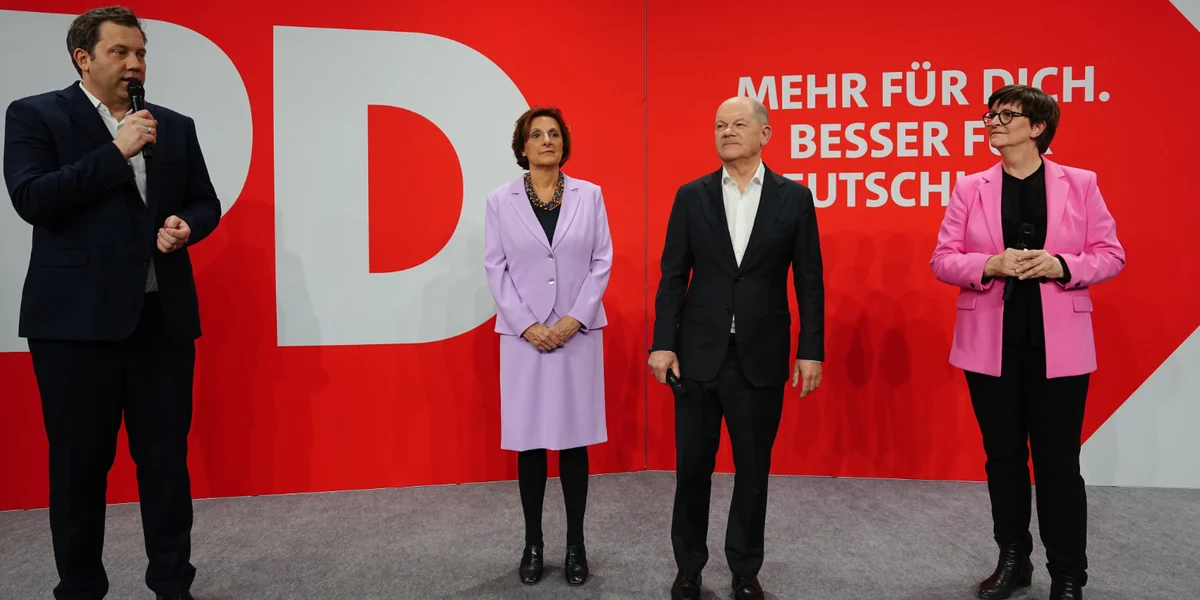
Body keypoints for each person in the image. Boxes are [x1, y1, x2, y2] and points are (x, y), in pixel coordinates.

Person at [3, 6, 221, 600]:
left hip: (161, 321)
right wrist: (115, 151)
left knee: (165, 465)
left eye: (141, 53)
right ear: (84, 57)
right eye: (120, 52)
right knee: (78, 469)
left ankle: (173, 584)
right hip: (75, 328)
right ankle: (79, 589)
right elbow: (33, 198)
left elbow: (206, 201)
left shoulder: (173, 124)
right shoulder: (34, 115)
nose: (134, 64)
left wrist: (185, 225)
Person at [930, 84, 1125, 600]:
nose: (993, 121)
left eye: (1006, 114)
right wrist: (987, 265)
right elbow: (943, 259)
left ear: (1038, 128)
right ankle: (1013, 559)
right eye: (990, 114)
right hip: (989, 345)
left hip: (1058, 346)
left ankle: (1068, 575)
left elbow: (1111, 254)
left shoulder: (1080, 183)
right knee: (1002, 458)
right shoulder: (971, 187)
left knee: (1059, 463)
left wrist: (1062, 265)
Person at [648, 96, 825, 600]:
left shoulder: (794, 198)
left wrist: (810, 350)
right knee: (692, 470)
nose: (727, 132)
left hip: (761, 356)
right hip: (698, 355)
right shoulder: (691, 196)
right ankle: (689, 567)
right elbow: (673, 276)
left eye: (739, 124)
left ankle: (745, 569)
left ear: (765, 134)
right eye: (720, 125)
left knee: (752, 471)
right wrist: (663, 344)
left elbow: (809, 282)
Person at [483, 106, 613, 587]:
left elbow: (602, 259)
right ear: (522, 147)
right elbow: (495, 266)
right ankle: (533, 543)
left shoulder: (590, 195)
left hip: (576, 334)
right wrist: (527, 324)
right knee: (532, 441)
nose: (546, 141)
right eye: (536, 135)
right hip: (525, 340)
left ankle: (576, 545)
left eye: (553, 134)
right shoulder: (500, 200)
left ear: (563, 144)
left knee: (574, 441)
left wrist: (574, 317)